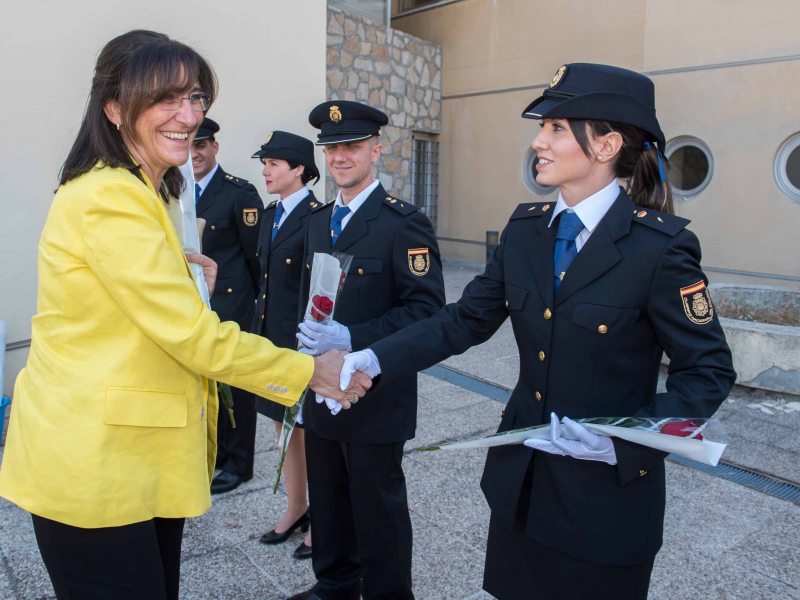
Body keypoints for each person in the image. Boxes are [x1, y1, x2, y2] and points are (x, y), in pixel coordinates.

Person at [342, 64, 736, 600]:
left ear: (606, 145)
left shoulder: (659, 249)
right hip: (520, 487)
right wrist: (374, 357)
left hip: (606, 502)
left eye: (554, 128)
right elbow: (465, 320)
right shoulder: (527, 229)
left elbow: (708, 371)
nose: (537, 142)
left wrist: (627, 439)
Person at [0, 30, 368, 600]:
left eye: (195, 97)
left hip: (133, 461)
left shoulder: (150, 191)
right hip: (97, 470)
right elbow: (192, 337)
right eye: (165, 98)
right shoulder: (110, 197)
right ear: (116, 108)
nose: (188, 114)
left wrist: (180, 269)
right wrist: (310, 371)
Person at [288, 101, 446, 600]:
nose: (339, 157)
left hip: (375, 392)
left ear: (376, 150)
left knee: (377, 510)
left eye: (351, 146)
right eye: (332, 148)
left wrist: (352, 338)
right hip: (321, 388)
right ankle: (334, 585)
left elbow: (426, 313)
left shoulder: (403, 224)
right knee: (329, 500)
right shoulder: (316, 221)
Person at [250, 131, 322, 559]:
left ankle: (325, 520)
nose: (266, 171)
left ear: (299, 169)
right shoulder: (269, 212)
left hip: (300, 346)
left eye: (274, 163)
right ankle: (298, 507)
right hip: (270, 344)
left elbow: (319, 288)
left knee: (313, 434)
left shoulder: (317, 216)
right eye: (265, 163)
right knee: (283, 430)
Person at [192, 117, 264, 495]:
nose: (194, 153)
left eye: (201, 145)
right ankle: (216, 456)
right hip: (195, 309)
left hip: (232, 307)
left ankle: (239, 463)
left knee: (236, 388)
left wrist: (251, 305)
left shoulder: (239, 193)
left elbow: (257, 257)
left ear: (214, 147)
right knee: (207, 385)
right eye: (189, 144)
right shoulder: (176, 190)